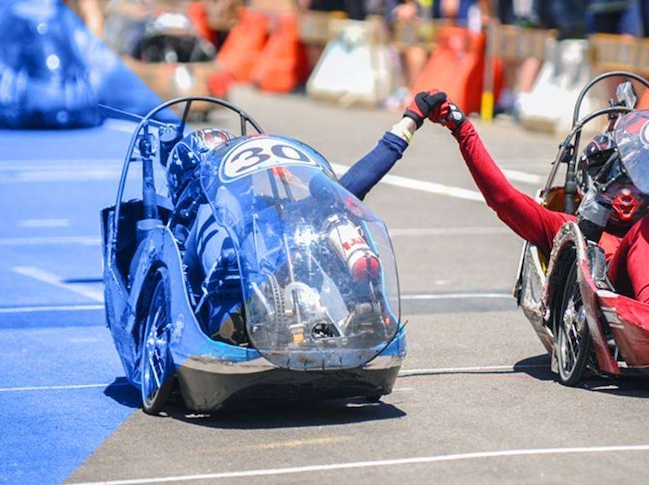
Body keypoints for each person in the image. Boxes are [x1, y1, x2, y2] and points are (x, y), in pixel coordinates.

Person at [164, 92, 448, 342]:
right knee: (218, 226)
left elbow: (348, 191)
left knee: (332, 209)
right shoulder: (178, 231)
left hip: (287, 307)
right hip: (217, 317)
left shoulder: (268, 210)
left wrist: (408, 122)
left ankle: (365, 310)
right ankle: (238, 318)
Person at [424, 92, 649, 307]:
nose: (623, 193)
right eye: (612, 182)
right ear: (587, 183)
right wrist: (463, 131)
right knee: (646, 227)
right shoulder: (565, 228)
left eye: (632, 179)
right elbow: (503, 198)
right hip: (617, 312)